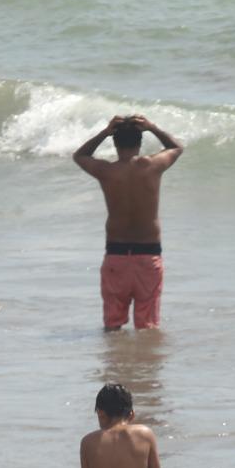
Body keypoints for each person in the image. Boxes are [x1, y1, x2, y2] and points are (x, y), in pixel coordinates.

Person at [73, 114, 184, 331]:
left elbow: (80, 155)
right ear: (139, 142)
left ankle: (115, 354)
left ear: (115, 143)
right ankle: (142, 354)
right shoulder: (152, 166)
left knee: (112, 327)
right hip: (148, 255)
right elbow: (176, 147)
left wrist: (105, 132)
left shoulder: (107, 171)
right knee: (147, 327)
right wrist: (152, 127)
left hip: (116, 256)